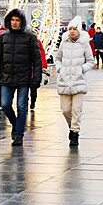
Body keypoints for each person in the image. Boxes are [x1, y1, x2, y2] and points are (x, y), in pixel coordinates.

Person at [0, 9, 42, 147]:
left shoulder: (29, 37)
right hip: (7, 77)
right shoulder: (3, 37)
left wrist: (36, 78)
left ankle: (19, 135)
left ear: (22, 22)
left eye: (17, 20)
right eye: (12, 20)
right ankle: (16, 124)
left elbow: (36, 59)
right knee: (5, 104)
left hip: (23, 78)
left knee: (21, 106)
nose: (14, 23)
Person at [55, 16, 94, 146]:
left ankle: (75, 133)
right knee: (65, 110)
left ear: (79, 30)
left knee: (77, 109)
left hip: (79, 81)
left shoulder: (84, 44)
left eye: (74, 29)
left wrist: (81, 69)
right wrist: (60, 68)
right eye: (70, 29)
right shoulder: (63, 42)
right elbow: (58, 58)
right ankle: (72, 126)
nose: (72, 31)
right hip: (64, 81)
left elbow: (90, 61)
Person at [30, 36, 48, 110]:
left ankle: (33, 101)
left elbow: (42, 53)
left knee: (33, 89)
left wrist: (44, 65)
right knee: (23, 90)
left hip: (35, 70)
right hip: (25, 70)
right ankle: (24, 104)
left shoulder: (37, 42)